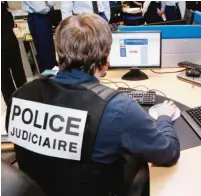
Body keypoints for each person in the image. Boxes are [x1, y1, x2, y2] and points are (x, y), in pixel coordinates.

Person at [5, 14, 180, 196]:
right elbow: (168, 152)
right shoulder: (117, 108)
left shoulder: (20, 96)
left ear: (59, 51)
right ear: (106, 60)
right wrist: (165, 117)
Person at [1, 1, 27, 104]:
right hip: (6, 38)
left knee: (17, 72)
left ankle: (22, 100)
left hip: (9, 39)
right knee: (5, 78)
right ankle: (14, 104)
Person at [22, 1, 58, 73]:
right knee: (44, 51)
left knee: (50, 50)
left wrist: (45, 2)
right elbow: (39, 8)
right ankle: (49, 78)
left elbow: (52, 2)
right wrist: (46, 5)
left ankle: (55, 75)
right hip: (37, 17)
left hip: (45, 17)